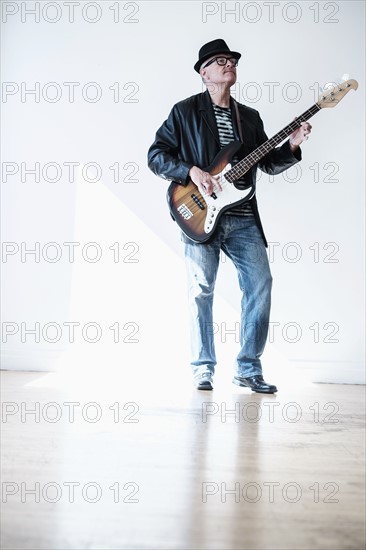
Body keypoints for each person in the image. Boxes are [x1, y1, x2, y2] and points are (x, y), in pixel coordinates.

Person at [147, 39, 312, 392]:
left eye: (232, 60)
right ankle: (203, 368)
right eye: (219, 61)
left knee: (260, 284)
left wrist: (293, 144)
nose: (228, 65)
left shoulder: (249, 118)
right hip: (198, 211)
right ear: (204, 73)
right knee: (200, 291)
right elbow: (156, 155)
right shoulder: (185, 112)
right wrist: (190, 170)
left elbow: (266, 162)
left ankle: (248, 368)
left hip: (241, 215)